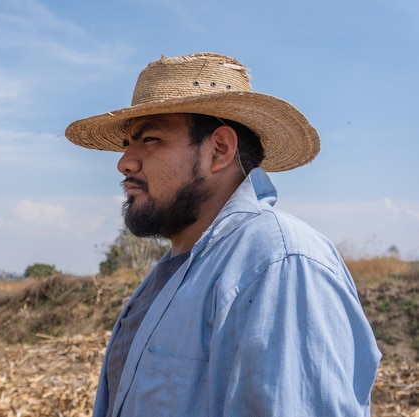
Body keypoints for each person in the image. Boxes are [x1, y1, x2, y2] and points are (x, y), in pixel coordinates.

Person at [65, 52, 381, 417]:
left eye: (149, 139)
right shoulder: (173, 273)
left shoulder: (277, 264)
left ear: (219, 151)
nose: (125, 162)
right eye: (126, 144)